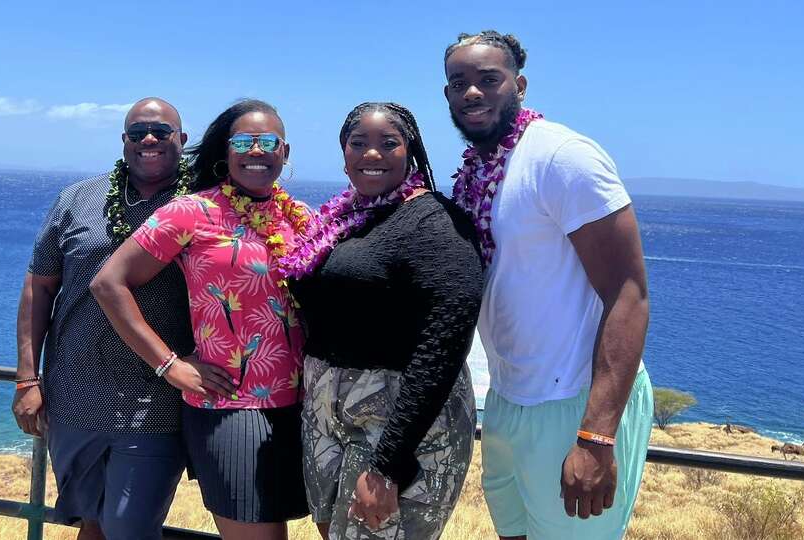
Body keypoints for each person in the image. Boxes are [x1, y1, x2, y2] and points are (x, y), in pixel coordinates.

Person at [444, 31, 654, 539]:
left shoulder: (562, 156)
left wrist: (596, 434)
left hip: (572, 405)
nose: (472, 92)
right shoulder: (475, 175)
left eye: (488, 79)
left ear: (518, 84)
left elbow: (629, 291)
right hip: (506, 401)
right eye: (458, 83)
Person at [90, 99, 310, 540]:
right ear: (225, 152)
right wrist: (169, 365)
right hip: (231, 408)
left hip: (300, 409)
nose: (255, 151)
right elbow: (108, 284)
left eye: (267, 142)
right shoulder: (191, 212)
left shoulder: (298, 216)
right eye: (243, 142)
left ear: (284, 152)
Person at [283, 102, 483, 540]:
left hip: (396, 419)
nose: (371, 154)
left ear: (410, 151)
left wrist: (389, 464)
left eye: (388, 143)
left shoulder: (436, 224)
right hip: (325, 406)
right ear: (344, 153)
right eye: (359, 143)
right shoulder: (342, 219)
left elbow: (443, 346)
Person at [11, 97, 195, 540]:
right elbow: (39, 288)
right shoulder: (77, 199)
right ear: (123, 141)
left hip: (156, 400)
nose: (148, 139)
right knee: (90, 521)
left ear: (182, 140)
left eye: (160, 131)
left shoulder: (203, 204)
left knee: (130, 527)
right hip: (73, 396)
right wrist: (26, 380)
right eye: (137, 132)